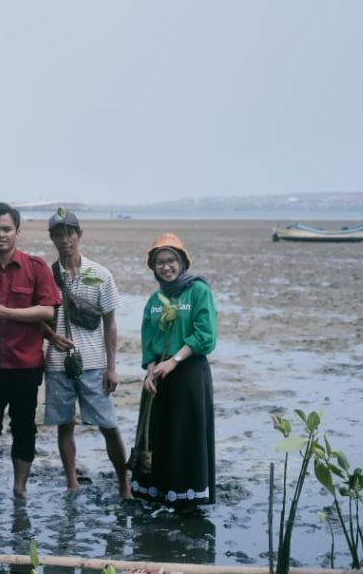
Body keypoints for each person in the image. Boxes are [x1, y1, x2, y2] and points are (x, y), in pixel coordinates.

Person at [0, 202, 60, 499]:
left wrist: (8, 313)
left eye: (6, 229)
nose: (0, 234)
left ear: (17, 232)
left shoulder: (36, 267)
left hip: (26, 364)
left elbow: (47, 311)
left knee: (24, 427)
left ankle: (20, 488)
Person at [41, 208, 131, 497]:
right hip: (56, 364)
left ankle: (124, 483)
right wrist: (51, 336)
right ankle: (71, 482)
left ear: (79, 235)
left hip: (93, 363)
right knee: (64, 425)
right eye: (58, 234)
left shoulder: (100, 274)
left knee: (109, 425)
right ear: (52, 238)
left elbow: (110, 324)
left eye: (70, 233)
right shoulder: (45, 275)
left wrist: (111, 366)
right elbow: (39, 318)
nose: (65, 239)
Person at [131, 233, 217, 513]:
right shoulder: (155, 299)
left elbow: (205, 334)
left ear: (182, 262)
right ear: (153, 267)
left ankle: (187, 499)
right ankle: (157, 492)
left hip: (189, 373)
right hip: (159, 375)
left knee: (186, 433)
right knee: (156, 433)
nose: (166, 267)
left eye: (171, 261)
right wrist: (150, 367)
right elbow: (148, 336)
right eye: (160, 263)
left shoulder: (198, 291)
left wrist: (175, 360)